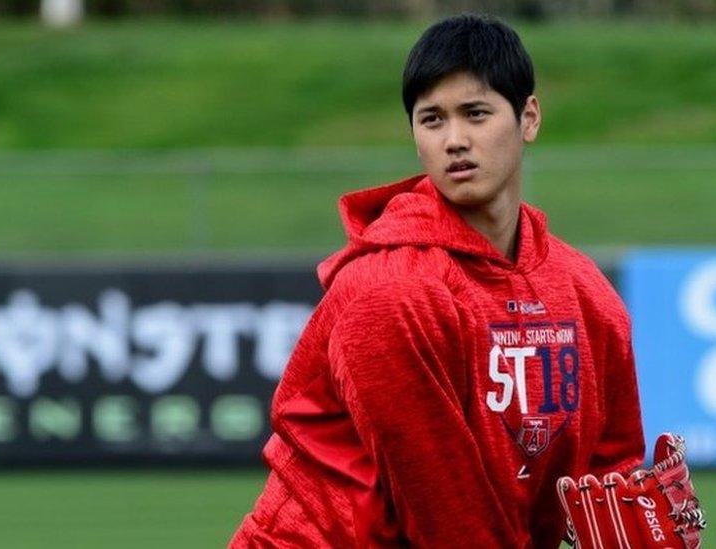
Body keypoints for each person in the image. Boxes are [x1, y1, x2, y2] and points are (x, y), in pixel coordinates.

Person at [229, 13, 645, 548]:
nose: (455, 140)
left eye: (475, 114)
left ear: (529, 118)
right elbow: (448, 516)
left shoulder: (585, 292)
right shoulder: (388, 290)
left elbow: (614, 468)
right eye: (432, 120)